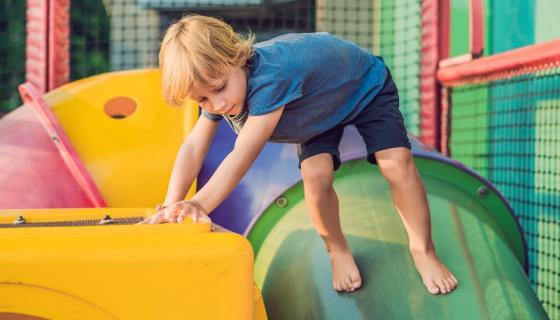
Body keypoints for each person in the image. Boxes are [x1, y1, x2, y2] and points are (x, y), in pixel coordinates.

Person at [139, 15, 458, 295]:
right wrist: (171, 205)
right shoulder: (218, 90)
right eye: (203, 100)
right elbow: (194, 146)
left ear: (236, 58)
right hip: (313, 110)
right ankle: (337, 250)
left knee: (397, 164)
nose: (217, 105)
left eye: (220, 88)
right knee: (315, 176)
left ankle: (423, 250)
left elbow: (243, 154)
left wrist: (197, 204)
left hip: (362, 86)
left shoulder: (271, 78)